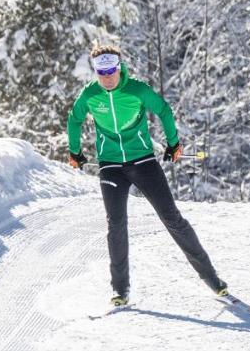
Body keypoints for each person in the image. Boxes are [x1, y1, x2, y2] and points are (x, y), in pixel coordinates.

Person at [67, 43, 228, 309]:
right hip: (110, 165)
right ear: (95, 72)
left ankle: (212, 279)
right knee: (116, 225)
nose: (107, 77)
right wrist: (75, 151)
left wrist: (173, 144)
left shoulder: (136, 89)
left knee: (172, 218)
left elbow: (163, 110)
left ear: (119, 68)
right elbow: (74, 119)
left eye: (111, 70)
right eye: (101, 72)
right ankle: (120, 290)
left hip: (143, 161)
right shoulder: (90, 94)